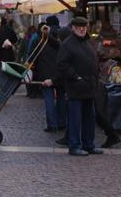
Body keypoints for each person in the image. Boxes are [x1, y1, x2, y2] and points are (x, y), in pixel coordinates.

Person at [56, 17, 104, 156]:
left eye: (84, 26)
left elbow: (92, 60)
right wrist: (76, 76)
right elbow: (62, 64)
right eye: (79, 26)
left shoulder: (87, 42)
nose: (82, 29)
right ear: (73, 28)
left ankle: (89, 144)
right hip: (76, 87)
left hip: (89, 86)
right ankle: (75, 146)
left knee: (90, 118)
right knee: (75, 119)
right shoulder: (67, 44)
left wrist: (96, 73)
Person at [33, 23, 67, 132]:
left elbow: (33, 57)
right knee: (61, 98)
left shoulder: (40, 41)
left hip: (45, 74)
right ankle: (62, 123)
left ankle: (52, 125)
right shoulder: (61, 40)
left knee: (49, 99)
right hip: (60, 74)